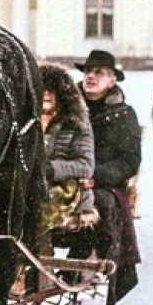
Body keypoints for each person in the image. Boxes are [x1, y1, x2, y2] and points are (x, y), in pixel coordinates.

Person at [70, 48, 142, 305]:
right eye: (88, 71)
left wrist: (94, 176)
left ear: (112, 80)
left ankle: (111, 276)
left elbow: (129, 161)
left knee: (104, 204)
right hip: (65, 178)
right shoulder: (69, 107)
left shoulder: (123, 115)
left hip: (104, 184)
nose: (91, 76)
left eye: (99, 72)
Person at [36, 62, 96, 255]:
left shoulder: (76, 124)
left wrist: (51, 169)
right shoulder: (25, 122)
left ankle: (32, 267)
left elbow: (85, 166)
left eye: (51, 90)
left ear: (62, 95)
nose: (45, 94)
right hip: (28, 186)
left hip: (64, 190)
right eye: (41, 88)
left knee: (32, 208)